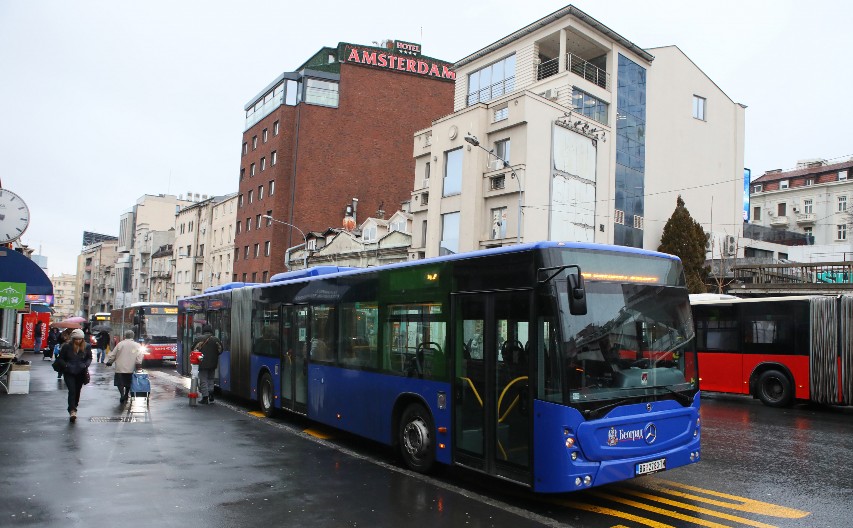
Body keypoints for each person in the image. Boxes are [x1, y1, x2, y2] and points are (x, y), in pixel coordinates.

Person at [55, 328, 93, 422]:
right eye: (76, 339)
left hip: (80, 372)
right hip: (69, 372)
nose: (78, 341)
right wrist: (66, 365)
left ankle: (74, 405)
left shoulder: (87, 346)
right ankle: (72, 410)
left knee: (77, 391)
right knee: (72, 390)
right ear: (73, 339)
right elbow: (60, 359)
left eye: (80, 339)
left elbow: (89, 357)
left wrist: (85, 365)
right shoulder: (67, 346)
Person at [106, 330, 143, 404]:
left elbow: (113, 355)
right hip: (131, 368)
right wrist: (139, 364)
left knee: (120, 383)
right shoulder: (137, 345)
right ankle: (126, 394)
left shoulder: (120, 344)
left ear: (125, 336)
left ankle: (122, 394)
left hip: (120, 368)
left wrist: (109, 362)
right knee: (128, 383)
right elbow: (139, 356)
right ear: (133, 336)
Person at [192, 324, 222, 404]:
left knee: (203, 379)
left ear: (203, 331)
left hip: (202, 363)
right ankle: (211, 394)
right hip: (213, 363)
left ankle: (205, 397)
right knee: (211, 379)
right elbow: (220, 350)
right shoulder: (216, 339)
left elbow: (193, 349)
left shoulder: (199, 339)